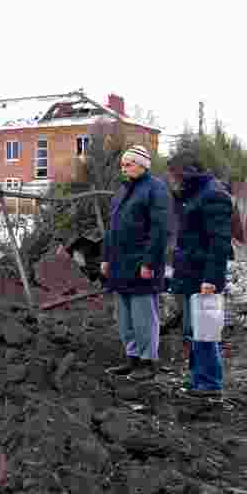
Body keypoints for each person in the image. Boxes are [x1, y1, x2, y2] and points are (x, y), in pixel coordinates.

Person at [165, 151, 234, 396]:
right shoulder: (194, 195)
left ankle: (209, 383)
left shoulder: (213, 195)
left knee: (204, 331)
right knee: (192, 331)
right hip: (189, 272)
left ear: (186, 172)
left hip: (202, 275)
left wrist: (211, 279)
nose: (171, 179)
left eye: (173, 174)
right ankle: (198, 380)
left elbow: (220, 243)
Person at [100, 144, 170, 380]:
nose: (124, 168)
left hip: (142, 264)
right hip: (120, 264)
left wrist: (149, 263)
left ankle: (148, 361)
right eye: (123, 165)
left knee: (143, 316)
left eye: (128, 164)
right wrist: (106, 258)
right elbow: (112, 229)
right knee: (124, 317)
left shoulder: (156, 189)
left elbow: (159, 230)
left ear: (143, 165)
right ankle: (132, 358)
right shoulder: (123, 191)